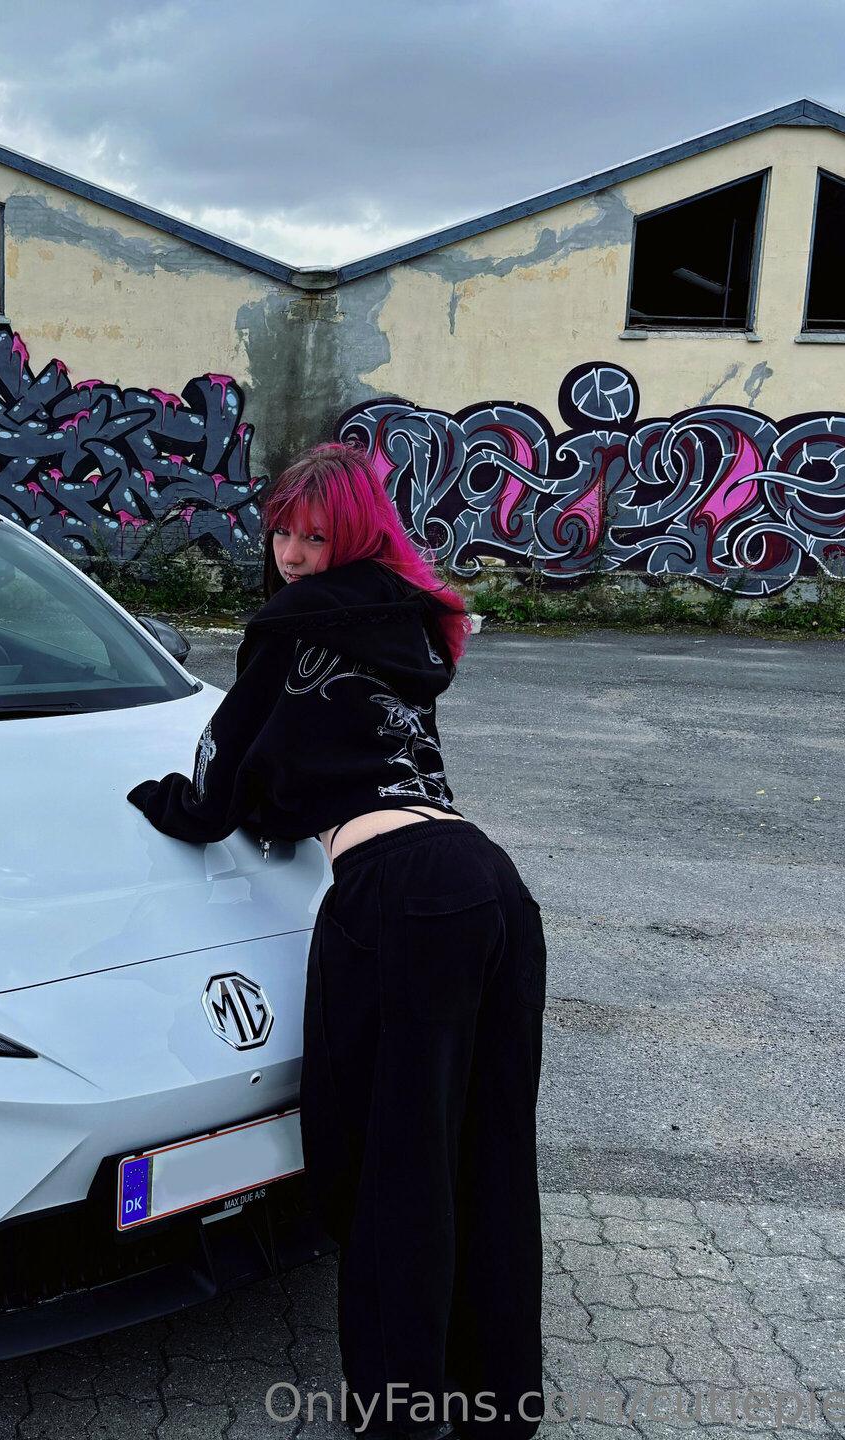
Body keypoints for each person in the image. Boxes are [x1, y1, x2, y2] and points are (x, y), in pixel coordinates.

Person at [127, 442, 547, 1439]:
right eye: (283, 531)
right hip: (490, 883)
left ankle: (401, 1415)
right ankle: (498, 1404)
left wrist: (168, 803)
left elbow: (222, 769)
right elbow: (352, 750)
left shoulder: (290, 623)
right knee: (488, 1153)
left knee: (391, 1162)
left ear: (351, 538)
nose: (293, 554)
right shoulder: (412, 621)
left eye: (316, 536)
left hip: (397, 897)